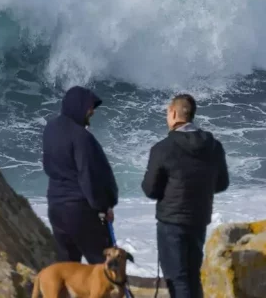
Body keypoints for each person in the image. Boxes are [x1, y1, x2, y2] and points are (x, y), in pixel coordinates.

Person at [141, 94, 230, 298]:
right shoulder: (214, 146)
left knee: (177, 279)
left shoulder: (162, 148)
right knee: (192, 276)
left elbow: (150, 189)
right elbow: (222, 183)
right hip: (199, 219)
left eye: (167, 113)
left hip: (171, 222)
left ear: (173, 113)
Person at [42, 85, 119, 264]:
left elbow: (48, 165)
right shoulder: (81, 137)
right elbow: (89, 177)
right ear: (78, 106)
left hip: (55, 208)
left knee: (68, 269)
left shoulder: (50, 129)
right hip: (79, 210)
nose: (92, 111)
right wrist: (103, 207)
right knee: (102, 267)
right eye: (89, 106)